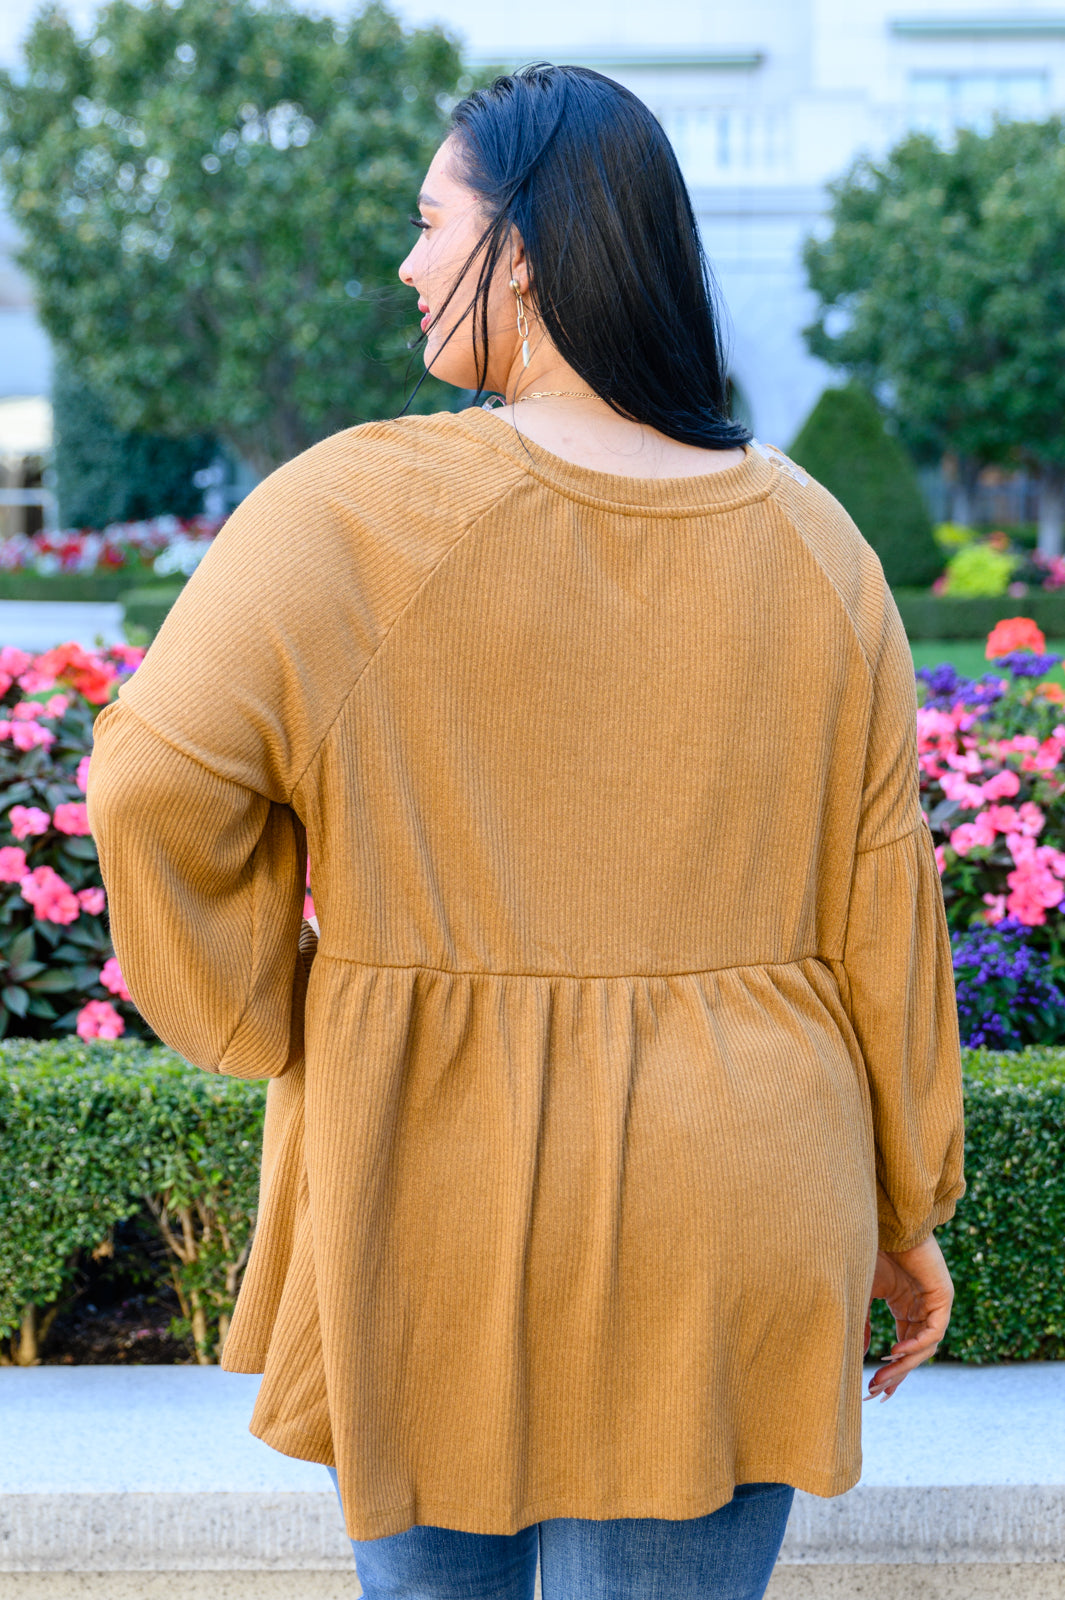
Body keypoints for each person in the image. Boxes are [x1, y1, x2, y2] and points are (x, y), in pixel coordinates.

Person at [86, 62, 965, 1600]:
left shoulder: (354, 514)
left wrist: (267, 1012)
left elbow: (150, 784)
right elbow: (880, 916)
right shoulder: (818, 540)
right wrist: (900, 1208)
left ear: (532, 249)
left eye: (433, 223)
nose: (409, 262)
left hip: (426, 1177)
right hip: (742, 1192)